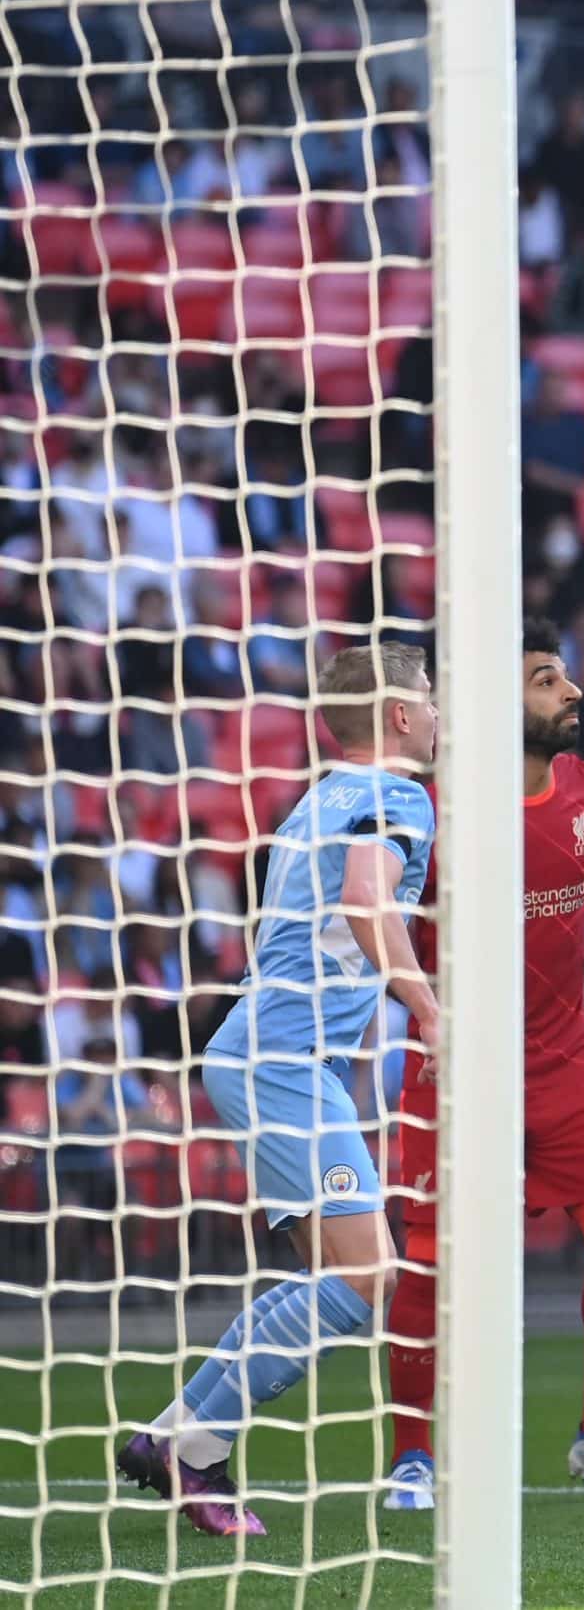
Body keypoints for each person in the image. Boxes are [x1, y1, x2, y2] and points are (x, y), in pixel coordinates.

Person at [378, 622, 584, 1511]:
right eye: (545, 679)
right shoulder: (430, 805)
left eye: (564, 676)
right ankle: (412, 1457)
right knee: (428, 1261)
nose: (571, 692)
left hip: (564, 1056)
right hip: (452, 1063)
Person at [118, 645, 441, 1537]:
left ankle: (179, 1441)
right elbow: (369, 900)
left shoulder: (315, 799)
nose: (439, 709)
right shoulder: (398, 795)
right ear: (403, 717)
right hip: (284, 1061)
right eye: (428, 695)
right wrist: (429, 1007)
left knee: (337, 1276)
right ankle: (192, 1443)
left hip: (273, 1055)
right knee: (367, 1274)